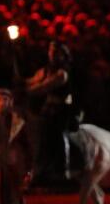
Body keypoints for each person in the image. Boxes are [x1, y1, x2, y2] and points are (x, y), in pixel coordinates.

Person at [25, 41, 79, 183]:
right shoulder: (47, 70)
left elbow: (43, 87)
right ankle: (44, 171)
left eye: (56, 52)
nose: (52, 54)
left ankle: (64, 171)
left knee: (60, 138)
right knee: (44, 140)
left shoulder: (62, 72)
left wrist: (26, 91)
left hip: (62, 110)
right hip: (48, 110)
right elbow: (33, 81)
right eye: (51, 51)